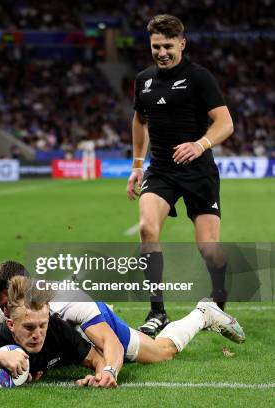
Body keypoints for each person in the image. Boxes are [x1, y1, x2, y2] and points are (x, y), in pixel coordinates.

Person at [0, 207, 245, 365]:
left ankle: (202, 313)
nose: (0, 306)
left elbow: (108, 345)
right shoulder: (4, 304)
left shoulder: (67, 300)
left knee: (160, 352)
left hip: (90, 329)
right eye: (2, 306)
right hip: (49, 339)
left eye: (5, 303)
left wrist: (108, 370)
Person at [126, 14, 234, 336]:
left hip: (198, 171)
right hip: (161, 170)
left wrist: (200, 145)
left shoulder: (199, 78)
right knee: (147, 228)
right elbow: (139, 120)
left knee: (208, 248)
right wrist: (136, 165)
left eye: (168, 46)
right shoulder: (143, 80)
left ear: (182, 44)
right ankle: (157, 311)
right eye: (156, 46)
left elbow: (225, 123)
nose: (161, 52)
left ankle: (218, 297)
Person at [0, 276, 115, 388]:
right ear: (11, 325)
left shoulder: (57, 328)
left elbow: (97, 359)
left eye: (42, 325)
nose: (37, 334)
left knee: (131, 351)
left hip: (91, 321)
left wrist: (99, 378)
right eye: (29, 327)